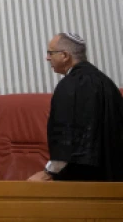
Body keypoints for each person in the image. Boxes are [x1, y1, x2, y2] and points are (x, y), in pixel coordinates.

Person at [28, 32, 123, 182]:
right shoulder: (107, 83)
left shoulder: (71, 85)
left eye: (50, 53)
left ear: (65, 56)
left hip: (83, 182)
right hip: (114, 179)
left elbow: (68, 136)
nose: (47, 58)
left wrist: (49, 172)